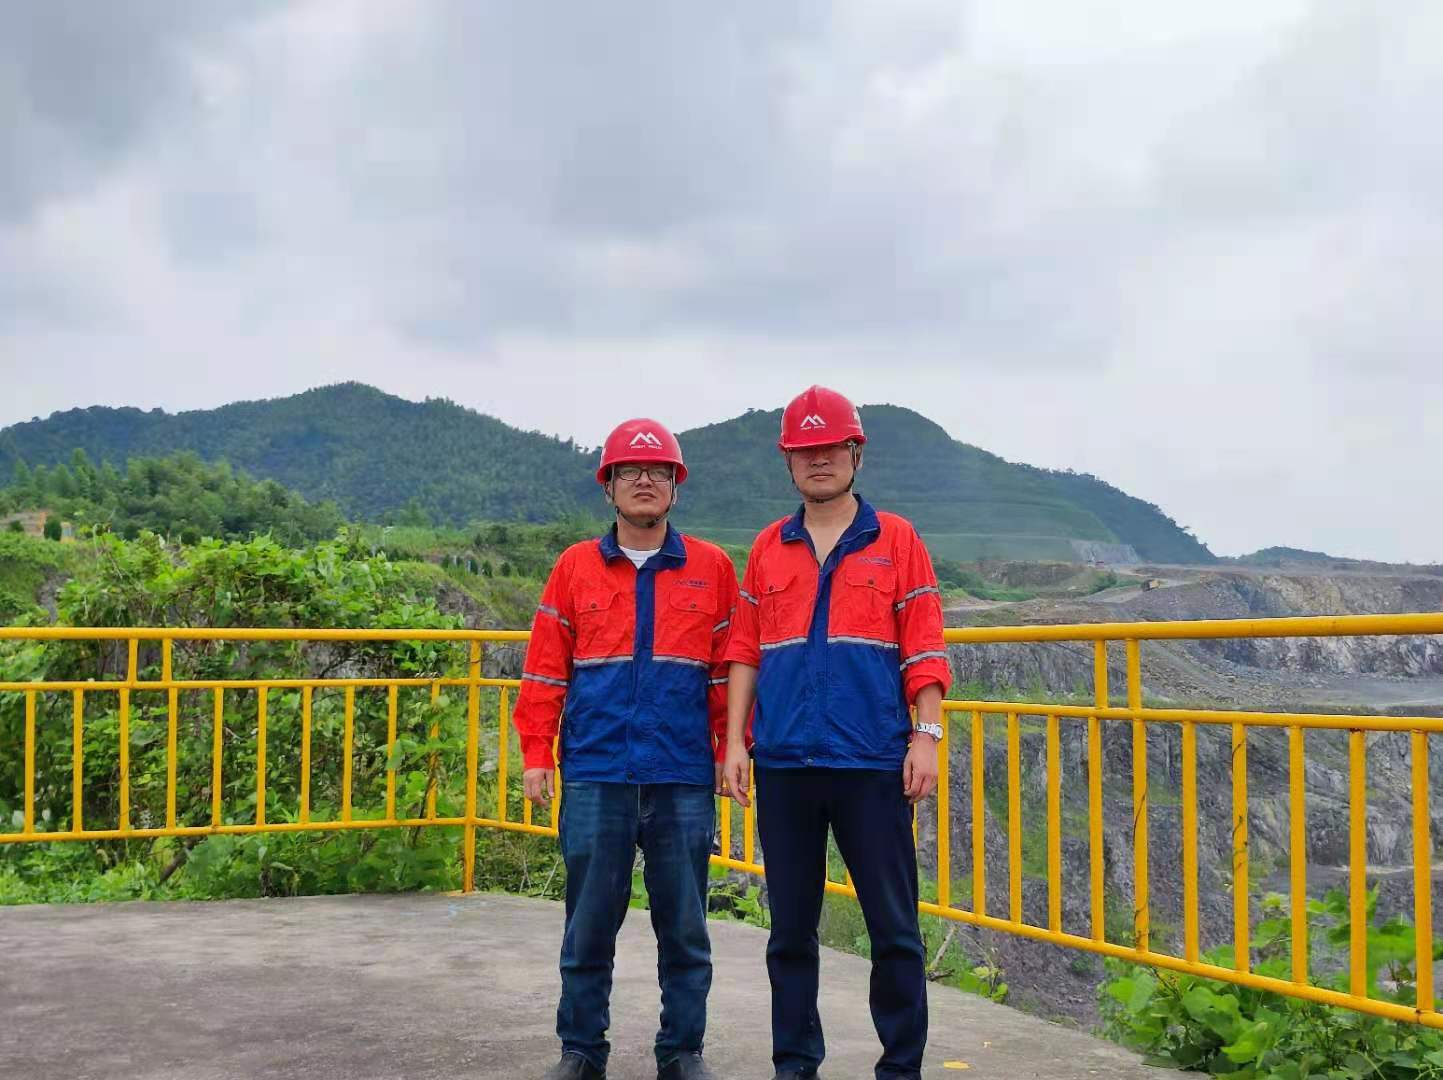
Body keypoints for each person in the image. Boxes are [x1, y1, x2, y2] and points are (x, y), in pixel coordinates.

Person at [721, 386, 951, 1080]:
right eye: (804, 450)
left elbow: (924, 644)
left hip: (871, 762)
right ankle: (794, 1065)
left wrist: (926, 735)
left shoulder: (897, 540)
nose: (818, 460)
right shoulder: (768, 547)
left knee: (894, 930)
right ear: (788, 462)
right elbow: (745, 650)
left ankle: (900, 1069)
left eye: (830, 448)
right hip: (785, 763)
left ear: (855, 454)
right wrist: (734, 742)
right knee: (790, 932)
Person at [514, 418, 737, 1080]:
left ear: (675, 486)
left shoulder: (712, 568)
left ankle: (682, 1053)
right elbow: (546, 667)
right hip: (596, 771)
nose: (645, 480)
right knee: (587, 926)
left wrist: (729, 748)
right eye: (630, 471)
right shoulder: (574, 567)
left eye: (658, 471)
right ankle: (582, 1050)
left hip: (681, 775)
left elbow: (725, 674)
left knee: (686, 928)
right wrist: (536, 751)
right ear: (607, 486)